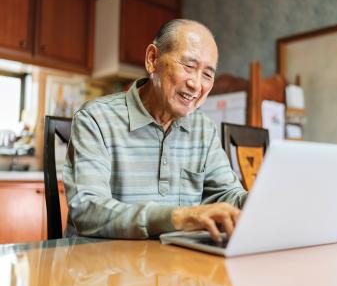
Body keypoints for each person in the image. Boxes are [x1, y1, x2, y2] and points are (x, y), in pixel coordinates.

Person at [63, 19, 247, 242]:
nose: (197, 85)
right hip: (104, 267)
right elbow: (88, 210)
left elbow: (227, 195)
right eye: (189, 66)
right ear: (152, 59)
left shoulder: (203, 128)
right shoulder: (96, 118)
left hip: (175, 265)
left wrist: (265, 199)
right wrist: (179, 217)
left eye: (207, 74)